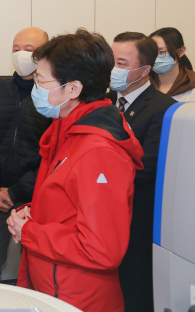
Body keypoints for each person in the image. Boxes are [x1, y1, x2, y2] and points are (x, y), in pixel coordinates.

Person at [7, 29, 144, 312]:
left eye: (41, 81)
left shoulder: (99, 152)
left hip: (79, 298)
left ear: (73, 89)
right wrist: (34, 211)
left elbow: (101, 248)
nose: (36, 87)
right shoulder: (66, 130)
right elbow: (70, 201)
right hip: (54, 289)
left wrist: (30, 231)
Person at [0, 27, 51, 282]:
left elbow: (52, 156)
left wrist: (15, 191)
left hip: (34, 199)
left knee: (36, 272)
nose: (21, 55)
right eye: (16, 49)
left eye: (29, 50)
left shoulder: (52, 98)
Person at [107, 32, 176, 312]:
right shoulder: (103, 102)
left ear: (145, 70)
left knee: (134, 295)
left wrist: (99, 179)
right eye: (111, 61)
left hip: (138, 223)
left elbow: (146, 166)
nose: (113, 69)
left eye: (121, 63)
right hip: (105, 218)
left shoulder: (164, 109)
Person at [149, 27, 195, 102]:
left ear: (180, 51)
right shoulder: (144, 85)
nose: (156, 57)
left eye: (162, 52)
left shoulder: (192, 87)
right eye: (152, 52)